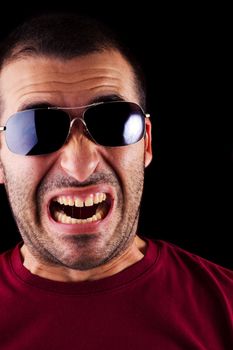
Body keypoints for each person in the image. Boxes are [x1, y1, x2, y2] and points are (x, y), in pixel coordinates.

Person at [0, 12, 232, 350]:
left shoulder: (225, 308)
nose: (80, 166)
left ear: (147, 143)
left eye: (112, 121)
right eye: (36, 129)